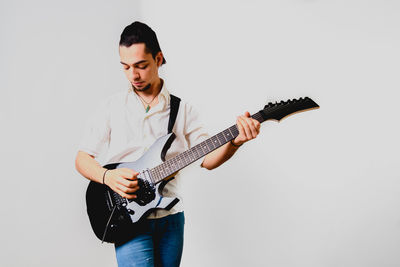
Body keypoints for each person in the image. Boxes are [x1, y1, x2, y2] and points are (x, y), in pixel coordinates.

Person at [75, 21, 260, 267]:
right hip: (128, 218)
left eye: (141, 65)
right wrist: (108, 178)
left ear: (159, 58)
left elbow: (207, 159)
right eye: (126, 67)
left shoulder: (182, 110)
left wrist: (235, 143)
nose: (134, 75)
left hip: (170, 217)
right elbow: (82, 159)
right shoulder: (111, 107)